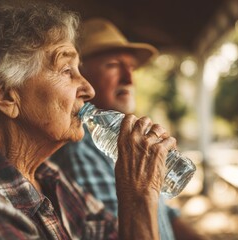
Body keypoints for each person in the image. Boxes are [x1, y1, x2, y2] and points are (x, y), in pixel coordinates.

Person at [0, 3, 178, 240]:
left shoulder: (50, 180)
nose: (88, 89)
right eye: (67, 70)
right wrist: (138, 197)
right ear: (5, 94)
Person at [51, 18, 204, 240]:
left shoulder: (129, 140)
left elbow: (165, 215)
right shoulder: (79, 151)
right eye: (113, 65)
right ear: (80, 76)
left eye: (131, 67)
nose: (129, 78)